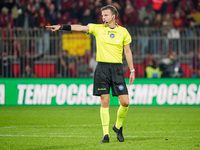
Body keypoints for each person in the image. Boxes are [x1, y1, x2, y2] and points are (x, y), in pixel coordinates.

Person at [46, 5, 135, 143]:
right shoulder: (97, 28)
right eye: (102, 15)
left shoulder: (123, 32)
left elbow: (127, 51)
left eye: (105, 15)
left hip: (117, 69)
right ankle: (106, 135)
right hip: (102, 69)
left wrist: (132, 70)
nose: (103, 17)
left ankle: (118, 126)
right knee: (104, 101)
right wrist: (61, 27)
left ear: (113, 16)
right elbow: (80, 28)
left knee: (125, 102)